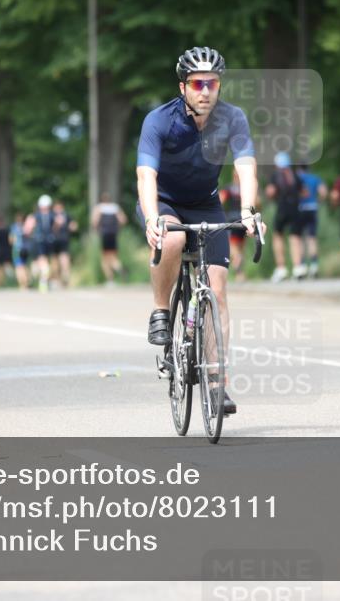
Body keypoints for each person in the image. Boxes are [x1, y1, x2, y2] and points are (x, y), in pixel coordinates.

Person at [135, 46, 262, 416]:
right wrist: (151, 218)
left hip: (206, 204)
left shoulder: (233, 118)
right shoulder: (159, 121)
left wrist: (249, 212)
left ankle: (217, 383)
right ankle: (161, 310)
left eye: (213, 83)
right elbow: (146, 175)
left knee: (218, 292)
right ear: (183, 87)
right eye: (197, 83)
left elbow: (247, 166)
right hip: (164, 201)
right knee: (172, 238)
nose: (205, 90)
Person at [265, 151, 304, 282]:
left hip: (282, 208)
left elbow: (270, 192)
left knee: (278, 236)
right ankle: (298, 267)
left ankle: (281, 268)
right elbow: (305, 192)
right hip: (295, 209)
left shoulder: (276, 175)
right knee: (295, 238)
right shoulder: (295, 175)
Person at [296, 164, 328, 278]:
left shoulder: (297, 178)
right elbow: (323, 192)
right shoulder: (315, 178)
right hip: (313, 208)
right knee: (312, 238)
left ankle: (302, 266)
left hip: (300, 209)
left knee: (299, 239)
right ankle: (314, 266)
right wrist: (317, 201)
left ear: (299, 169)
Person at [219, 171, 249, 280]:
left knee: (233, 248)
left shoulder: (229, 188)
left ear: (234, 175)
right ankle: (240, 274)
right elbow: (257, 202)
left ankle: (238, 267)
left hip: (232, 220)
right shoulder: (247, 190)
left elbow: (220, 201)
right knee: (241, 248)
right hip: (244, 221)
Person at [92, 192, 127, 285]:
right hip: (113, 234)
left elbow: (95, 221)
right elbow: (123, 220)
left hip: (104, 234)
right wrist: (117, 228)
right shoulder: (115, 207)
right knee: (113, 255)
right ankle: (119, 268)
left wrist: (97, 230)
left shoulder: (99, 208)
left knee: (104, 258)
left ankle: (110, 279)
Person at [26, 195, 57, 292]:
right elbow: (56, 226)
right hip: (49, 240)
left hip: (38, 240)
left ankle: (42, 280)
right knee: (45, 260)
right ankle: (44, 278)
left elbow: (27, 229)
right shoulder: (53, 215)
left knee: (41, 261)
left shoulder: (35, 215)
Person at [52, 201, 79, 287]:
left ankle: (64, 278)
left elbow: (74, 226)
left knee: (61, 259)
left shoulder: (63, 216)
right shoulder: (55, 216)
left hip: (60, 239)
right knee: (58, 260)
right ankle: (60, 279)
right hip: (58, 240)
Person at [9, 212, 30, 289]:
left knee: (18, 267)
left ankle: (22, 284)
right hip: (26, 249)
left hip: (17, 249)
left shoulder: (14, 227)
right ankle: (27, 281)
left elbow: (11, 240)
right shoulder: (25, 227)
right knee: (24, 265)